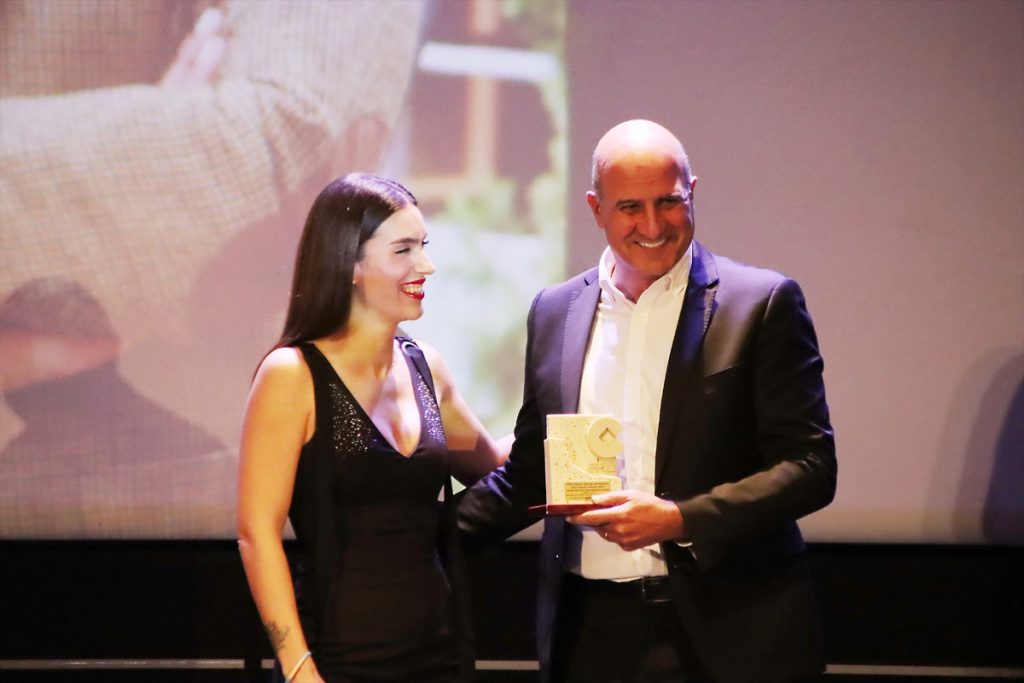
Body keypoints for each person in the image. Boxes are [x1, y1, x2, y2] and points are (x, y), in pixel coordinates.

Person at [458, 120, 837, 683]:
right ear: (595, 208)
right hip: (591, 634)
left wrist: (678, 518)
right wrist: (423, 542)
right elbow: (533, 472)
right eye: (630, 207)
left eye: (669, 202)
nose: (653, 225)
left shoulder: (759, 303)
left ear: (692, 192)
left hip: (733, 632)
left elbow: (810, 469)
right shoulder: (555, 310)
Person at [237, 173, 506, 683]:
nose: (425, 265)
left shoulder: (428, 368)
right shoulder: (292, 376)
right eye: (403, 249)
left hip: (437, 659)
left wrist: (573, 432)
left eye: (423, 246)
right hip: (335, 664)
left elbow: (495, 465)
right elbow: (256, 534)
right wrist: (299, 669)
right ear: (350, 264)